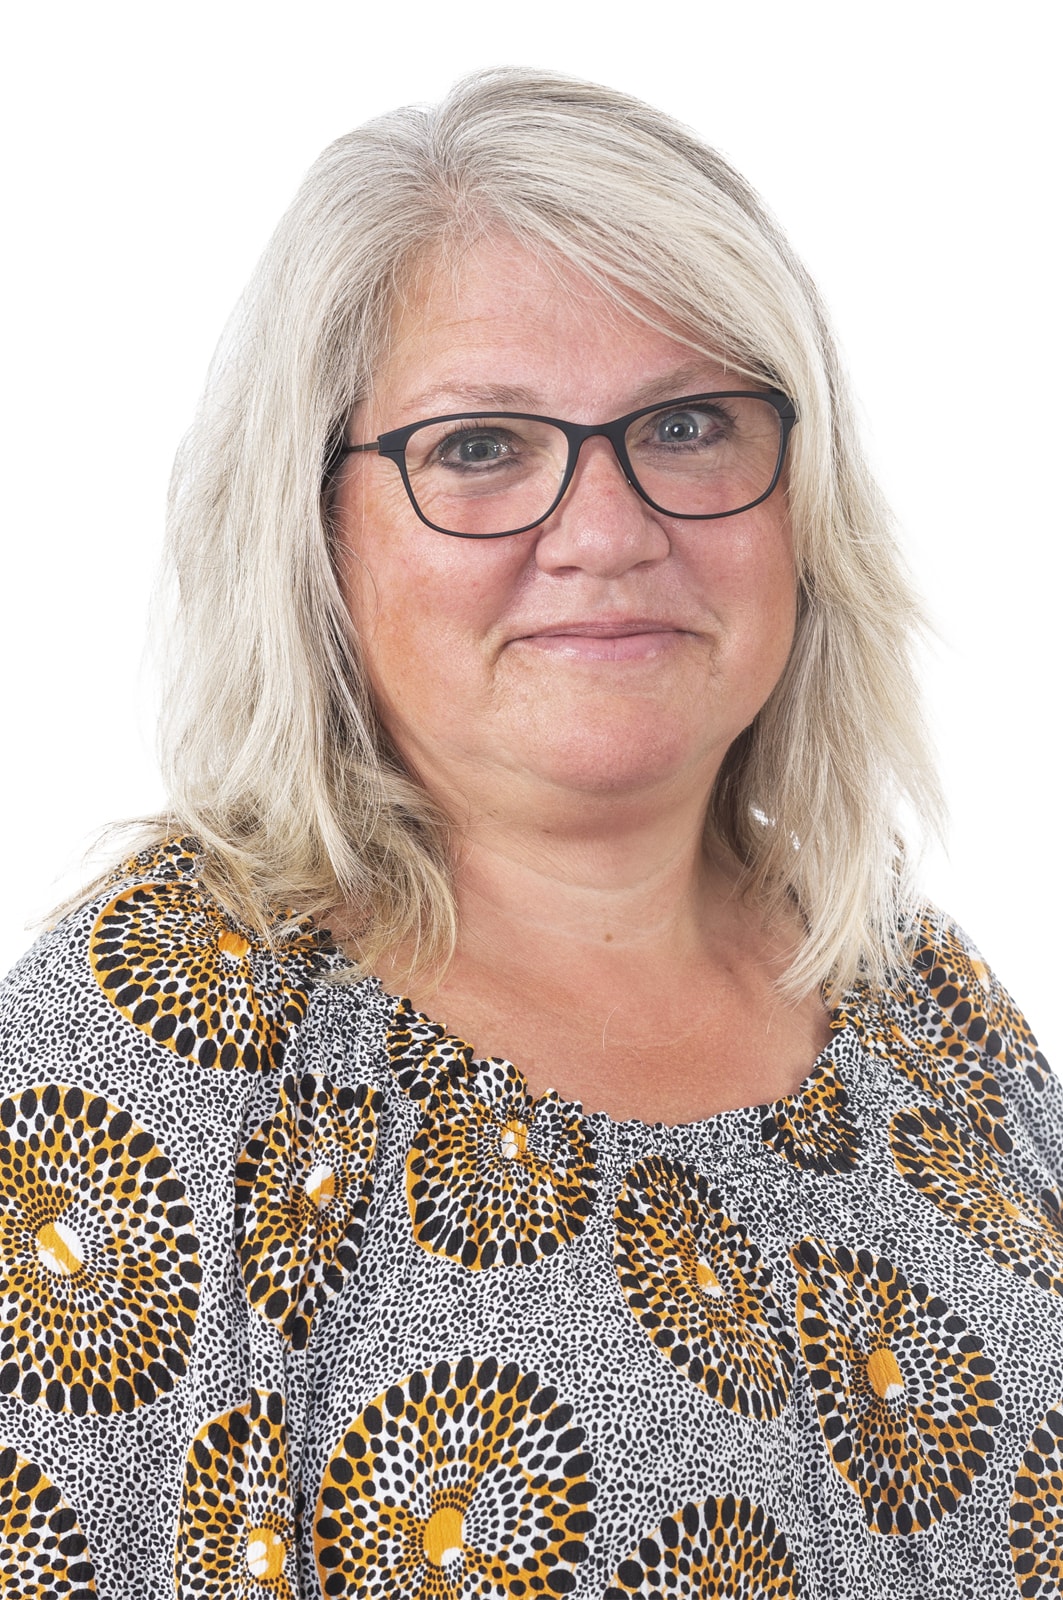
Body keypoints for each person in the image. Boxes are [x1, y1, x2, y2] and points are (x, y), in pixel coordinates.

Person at [0, 66, 1059, 1600]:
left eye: (687, 424)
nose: (609, 532)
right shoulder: (132, 1054)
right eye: (481, 447)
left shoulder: (926, 1006)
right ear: (313, 525)